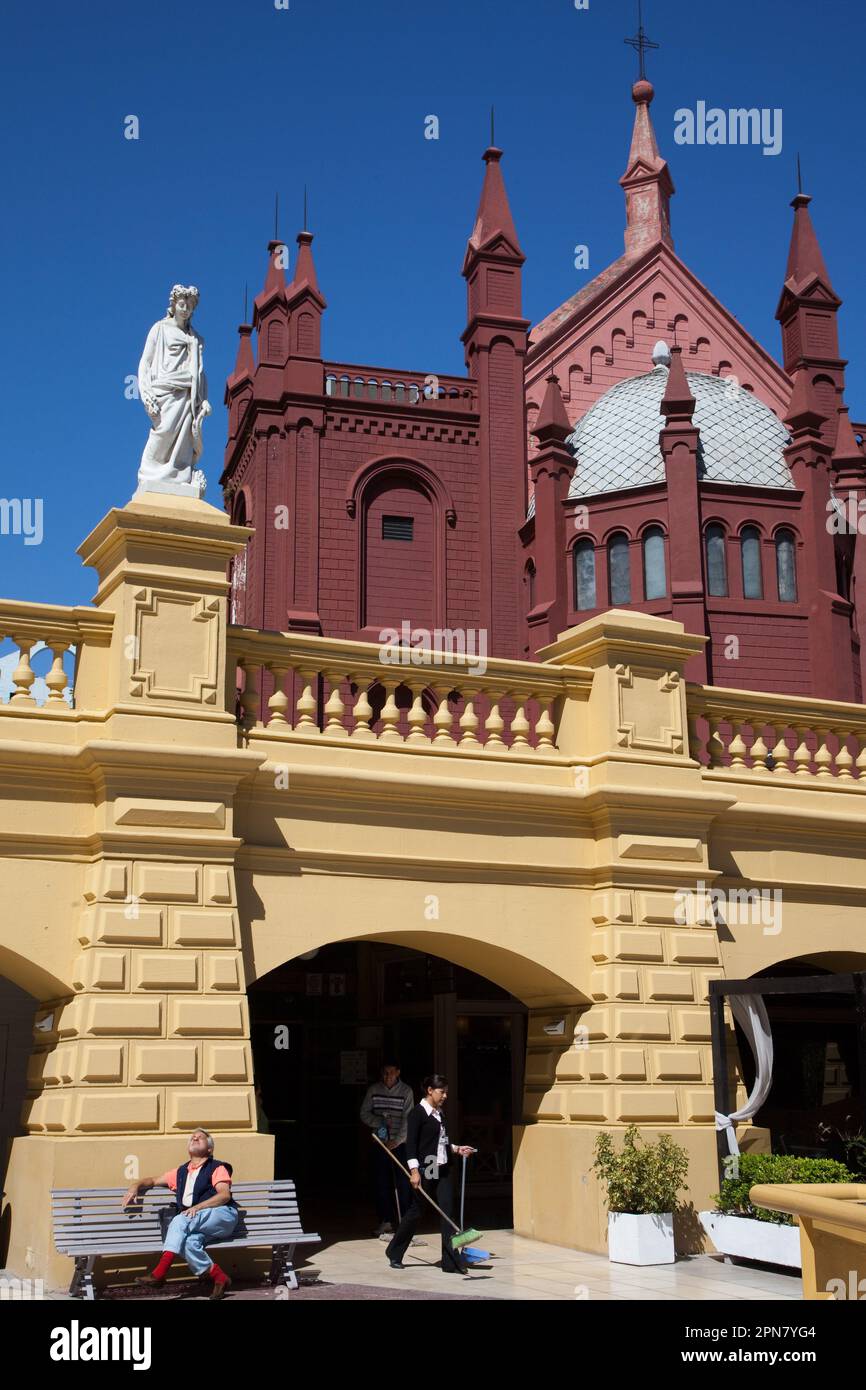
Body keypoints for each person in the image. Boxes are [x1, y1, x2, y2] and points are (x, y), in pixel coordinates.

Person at [122, 1128, 237, 1299]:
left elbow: (224, 1195)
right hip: (198, 1222)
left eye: (201, 1137)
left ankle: (159, 1273)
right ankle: (220, 1278)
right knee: (188, 1243)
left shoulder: (217, 1167)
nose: (195, 1137)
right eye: (193, 1137)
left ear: (210, 1149)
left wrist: (198, 1208)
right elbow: (153, 1180)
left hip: (222, 1216)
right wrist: (135, 1185)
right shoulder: (180, 1172)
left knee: (181, 1219)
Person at [386, 1074, 474, 1274]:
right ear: (430, 1090)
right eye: (442, 1092)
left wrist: (457, 1149)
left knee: (446, 1212)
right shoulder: (418, 1113)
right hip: (428, 1166)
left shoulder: (439, 1113)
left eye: (446, 1092)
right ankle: (394, 1251)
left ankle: (450, 1262)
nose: (445, 1096)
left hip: (442, 1166)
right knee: (417, 1210)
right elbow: (411, 1146)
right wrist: (415, 1171)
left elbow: (440, 1143)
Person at [360, 1062, 414, 1236]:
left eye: (391, 1072)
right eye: (384, 1073)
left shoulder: (406, 1091)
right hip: (380, 1142)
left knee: (403, 1182)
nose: (387, 1076)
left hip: (400, 1143)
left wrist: (397, 1141)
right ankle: (386, 1220)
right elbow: (364, 1113)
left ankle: (405, 1221)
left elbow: (408, 1120)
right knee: (381, 1182)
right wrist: (379, 1122)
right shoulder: (374, 1090)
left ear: (398, 1072)